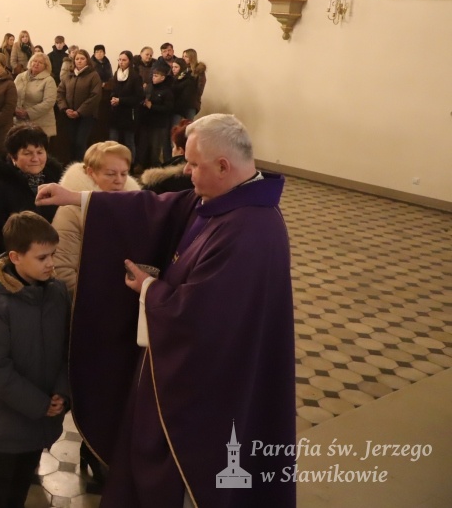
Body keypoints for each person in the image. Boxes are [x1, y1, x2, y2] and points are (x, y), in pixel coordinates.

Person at [34, 113, 296, 508]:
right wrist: (78, 197)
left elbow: (203, 319)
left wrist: (150, 289)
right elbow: (154, 208)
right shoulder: (222, 200)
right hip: (175, 371)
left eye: (193, 164)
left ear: (223, 166)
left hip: (205, 394)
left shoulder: (250, 231)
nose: (186, 172)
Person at [0, 211, 70, 508]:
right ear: (15, 257)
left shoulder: (57, 292)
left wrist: (62, 391)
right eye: (42, 257)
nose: (51, 263)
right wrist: (39, 404)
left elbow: (67, 348)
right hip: (6, 422)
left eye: (53, 255)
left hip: (41, 416)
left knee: (20, 486)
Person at [52, 141, 139, 294]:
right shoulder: (71, 212)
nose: (119, 180)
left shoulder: (135, 205)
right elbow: (62, 271)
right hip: (93, 299)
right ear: (91, 173)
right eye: (110, 174)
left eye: (124, 173)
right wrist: (100, 300)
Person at [0, 123, 62, 253]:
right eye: (27, 153)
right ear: (13, 157)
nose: (35, 159)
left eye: (40, 152)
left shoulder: (56, 180)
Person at [56, 48, 102, 164]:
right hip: (69, 115)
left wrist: (79, 112)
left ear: (87, 60)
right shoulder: (69, 75)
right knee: (71, 143)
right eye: (77, 59)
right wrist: (65, 109)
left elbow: (95, 96)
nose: (79, 61)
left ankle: (82, 167)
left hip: (86, 116)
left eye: (82, 58)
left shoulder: (93, 75)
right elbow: (60, 93)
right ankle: (72, 168)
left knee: (80, 143)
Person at [140, 119, 193, 194]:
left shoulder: (157, 182)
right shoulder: (202, 178)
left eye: (174, 146)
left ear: (181, 151)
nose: (173, 150)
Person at [13, 52, 58, 140]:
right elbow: (12, 95)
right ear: (30, 62)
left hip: (40, 124)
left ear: (46, 66)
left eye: (40, 62)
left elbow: (49, 102)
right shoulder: (20, 77)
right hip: (19, 122)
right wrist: (15, 109)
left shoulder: (49, 80)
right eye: (34, 61)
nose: (36, 64)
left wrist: (28, 112)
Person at [138, 62, 174, 169]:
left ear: (163, 78)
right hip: (146, 120)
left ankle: (154, 167)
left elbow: (168, 108)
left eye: (156, 76)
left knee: (155, 147)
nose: (153, 77)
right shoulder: (149, 87)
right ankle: (141, 164)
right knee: (143, 144)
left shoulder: (167, 91)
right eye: (153, 75)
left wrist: (152, 106)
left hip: (158, 123)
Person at [108, 50, 142, 161]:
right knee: (113, 141)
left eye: (124, 60)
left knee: (129, 142)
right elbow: (114, 90)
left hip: (129, 114)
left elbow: (138, 97)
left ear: (129, 61)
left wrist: (121, 100)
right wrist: (113, 98)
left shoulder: (135, 77)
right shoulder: (116, 74)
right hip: (116, 112)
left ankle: (130, 164)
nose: (121, 62)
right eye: (119, 60)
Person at [183, 48, 207, 117]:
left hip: (192, 102)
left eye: (186, 56)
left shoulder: (199, 71)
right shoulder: (182, 69)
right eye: (183, 56)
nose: (183, 58)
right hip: (181, 102)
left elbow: (200, 88)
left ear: (192, 57)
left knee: (189, 121)